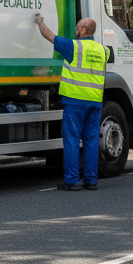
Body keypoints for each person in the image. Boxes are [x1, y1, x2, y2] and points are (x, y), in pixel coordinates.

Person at [35, 13, 107, 191]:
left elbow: (49, 36)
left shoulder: (74, 47)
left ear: (83, 30)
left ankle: (72, 181)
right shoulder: (102, 50)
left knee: (72, 140)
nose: (75, 30)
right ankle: (91, 180)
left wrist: (40, 22)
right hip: (95, 102)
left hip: (75, 102)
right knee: (90, 141)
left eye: (77, 27)